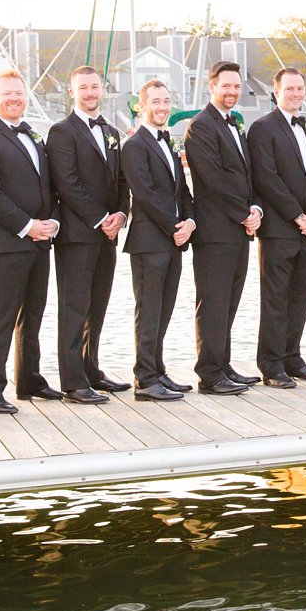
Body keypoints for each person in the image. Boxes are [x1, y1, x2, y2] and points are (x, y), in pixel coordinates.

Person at [0, 68, 59, 414]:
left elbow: (46, 186)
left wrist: (50, 222)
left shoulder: (33, 135)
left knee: (33, 314)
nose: (15, 98)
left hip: (39, 241)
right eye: (7, 93)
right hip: (6, 242)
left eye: (19, 92)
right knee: (0, 317)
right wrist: (26, 225)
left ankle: (29, 378)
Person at [45, 66, 129, 405]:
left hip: (108, 235)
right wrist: (100, 217)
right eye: (84, 87)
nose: (90, 92)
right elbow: (67, 182)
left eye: (95, 86)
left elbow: (121, 181)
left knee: (98, 305)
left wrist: (122, 214)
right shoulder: (61, 132)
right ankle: (73, 381)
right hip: (78, 235)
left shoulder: (111, 132)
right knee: (74, 306)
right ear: (72, 92)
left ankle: (91, 370)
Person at [248, 68, 306, 388]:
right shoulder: (262, 128)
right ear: (276, 91)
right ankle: (270, 363)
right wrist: (297, 215)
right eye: (290, 89)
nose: (296, 94)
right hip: (279, 229)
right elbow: (267, 178)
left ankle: (292, 356)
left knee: (301, 296)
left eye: (300, 88)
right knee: (275, 298)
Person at [184, 60, 261, 395]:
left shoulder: (234, 125)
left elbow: (245, 176)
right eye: (225, 85)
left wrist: (255, 208)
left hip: (238, 230)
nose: (231, 91)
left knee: (229, 302)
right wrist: (243, 213)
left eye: (236, 86)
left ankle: (223, 364)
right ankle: (209, 374)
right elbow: (212, 179)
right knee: (213, 302)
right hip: (215, 232)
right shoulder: (201, 126)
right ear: (211, 86)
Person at [121, 79, 200, 401]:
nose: (162, 107)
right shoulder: (134, 146)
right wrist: (174, 225)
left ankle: (158, 369)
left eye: (166, 101)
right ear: (142, 106)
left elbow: (182, 191)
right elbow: (145, 194)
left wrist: (190, 222)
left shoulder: (168, 142)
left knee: (165, 309)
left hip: (174, 239)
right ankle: (144, 379)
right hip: (148, 241)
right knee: (149, 310)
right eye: (155, 101)